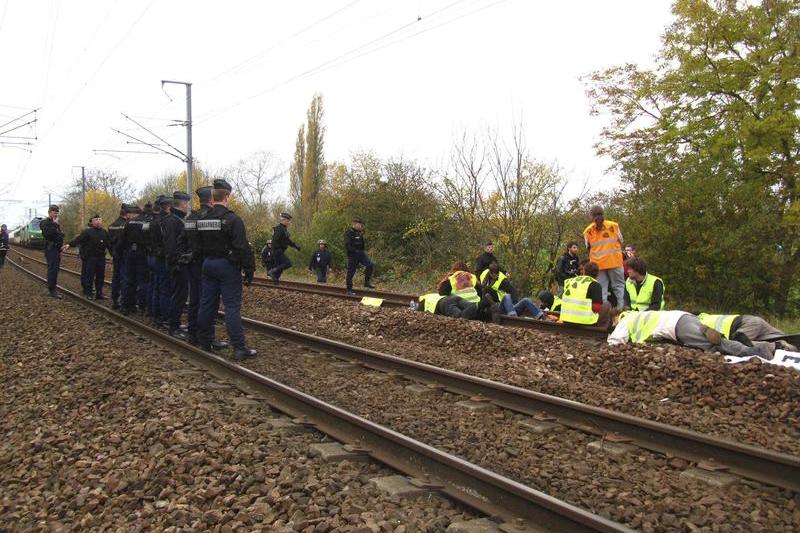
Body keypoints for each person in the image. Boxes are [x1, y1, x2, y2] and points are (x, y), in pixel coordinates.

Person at [196, 178, 257, 360]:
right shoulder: (232, 219)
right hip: (227, 266)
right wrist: (249, 269)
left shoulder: (203, 219)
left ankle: (205, 341)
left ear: (213, 198)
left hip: (208, 264)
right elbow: (242, 247)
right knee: (231, 307)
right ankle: (239, 348)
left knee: (207, 304)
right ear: (227, 196)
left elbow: (197, 244)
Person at [608, 310, 776, 359]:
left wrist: (610, 339)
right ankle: (764, 346)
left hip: (676, 327)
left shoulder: (626, 320)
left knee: (716, 345)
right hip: (682, 317)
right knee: (710, 343)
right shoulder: (641, 315)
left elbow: (615, 342)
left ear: (618, 317)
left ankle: (757, 352)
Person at [179, 186, 226, 349]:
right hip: (204, 264)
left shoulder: (191, 217)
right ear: (212, 200)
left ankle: (193, 334)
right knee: (208, 303)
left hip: (192, 264)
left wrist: (187, 256)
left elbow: (182, 240)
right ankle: (207, 336)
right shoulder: (207, 217)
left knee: (194, 300)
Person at [583, 206, 625, 310]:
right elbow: (621, 241)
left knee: (602, 289)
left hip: (598, 265)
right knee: (619, 287)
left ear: (591, 216)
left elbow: (588, 247)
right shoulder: (614, 226)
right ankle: (622, 310)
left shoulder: (588, 231)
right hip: (615, 261)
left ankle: (604, 313)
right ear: (603, 214)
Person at [63, 214, 111, 299]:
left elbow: (109, 244)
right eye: (96, 220)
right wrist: (69, 244)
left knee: (100, 276)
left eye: (100, 219)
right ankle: (88, 293)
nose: (98, 221)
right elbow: (79, 239)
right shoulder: (87, 232)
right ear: (92, 222)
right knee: (89, 275)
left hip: (101, 257)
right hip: (91, 258)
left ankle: (99, 293)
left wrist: (114, 253)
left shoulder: (104, 232)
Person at [163, 191, 191, 339]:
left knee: (179, 295)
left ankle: (175, 323)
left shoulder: (175, 220)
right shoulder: (173, 222)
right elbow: (171, 246)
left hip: (179, 264)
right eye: (187, 204)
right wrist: (176, 263)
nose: (188, 207)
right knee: (178, 296)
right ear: (182, 204)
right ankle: (174, 327)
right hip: (178, 265)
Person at [480, 262, 548, 319]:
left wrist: (513, 304)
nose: (497, 277)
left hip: (509, 308)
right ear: (490, 274)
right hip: (499, 308)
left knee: (525, 300)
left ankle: (541, 316)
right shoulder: (485, 287)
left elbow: (513, 291)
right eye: (495, 275)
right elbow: (483, 301)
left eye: (498, 275)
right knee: (507, 296)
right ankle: (513, 318)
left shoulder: (502, 280)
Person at [696, 313, 795, 350]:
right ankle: (786, 345)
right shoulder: (703, 316)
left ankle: (780, 346)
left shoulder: (695, 322)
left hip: (743, 326)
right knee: (774, 336)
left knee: (743, 347)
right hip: (751, 321)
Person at [559, 261, 612, 328]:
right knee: (607, 305)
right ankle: (601, 329)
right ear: (597, 274)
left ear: (584, 271)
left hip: (566, 320)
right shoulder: (595, 284)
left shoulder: (570, 281)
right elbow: (596, 308)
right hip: (584, 322)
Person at [116, 205, 148, 315]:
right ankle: (142, 306)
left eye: (129, 214)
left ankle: (127, 306)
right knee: (143, 281)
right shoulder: (146, 222)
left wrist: (119, 254)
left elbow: (121, 241)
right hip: (143, 253)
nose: (128, 216)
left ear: (134, 214)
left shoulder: (128, 224)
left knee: (128, 280)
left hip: (130, 253)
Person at [151, 196, 173, 327]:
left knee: (157, 287)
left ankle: (157, 315)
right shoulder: (165, 221)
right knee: (165, 289)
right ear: (168, 207)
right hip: (162, 258)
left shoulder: (155, 221)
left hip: (155, 257)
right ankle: (165, 317)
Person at [344, 217, 375, 295]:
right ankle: (349, 290)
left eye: (361, 224)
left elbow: (362, 244)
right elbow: (347, 245)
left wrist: (362, 251)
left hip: (361, 254)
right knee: (351, 272)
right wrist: (354, 251)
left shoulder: (359, 233)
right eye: (359, 224)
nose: (360, 226)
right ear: (354, 224)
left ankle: (366, 282)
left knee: (370, 265)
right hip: (353, 255)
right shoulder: (348, 233)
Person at [39, 205, 65, 298]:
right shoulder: (44, 222)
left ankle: (53, 287)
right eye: (54, 212)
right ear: (49, 212)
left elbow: (61, 235)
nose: (56, 214)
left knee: (55, 269)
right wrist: (55, 226)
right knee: (53, 269)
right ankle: (52, 290)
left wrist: (61, 247)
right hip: (50, 248)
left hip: (56, 248)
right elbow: (48, 233)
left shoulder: (56, 223)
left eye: (57, 212)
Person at [268, 212, 300, 281]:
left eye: (289, 221)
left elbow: (287, 241)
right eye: (288, 221)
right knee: (287, 263)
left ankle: (275, 282)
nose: (289, 222)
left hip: (279, 251)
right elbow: (275, 240)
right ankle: (272, 271)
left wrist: (295, 246)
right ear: (283, 220)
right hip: (277, 251)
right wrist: (277, 250)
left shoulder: (283, 229)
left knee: (279, 268)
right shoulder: (279, 229)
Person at [108, 205, 128, 309]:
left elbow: (109, 242)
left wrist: (112, 253)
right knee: (124, 277)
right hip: (124, 255)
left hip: (116, 254)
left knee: (116, 277)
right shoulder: (125, 225)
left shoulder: (111, 225)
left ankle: (115, 298)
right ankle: (122, 300)